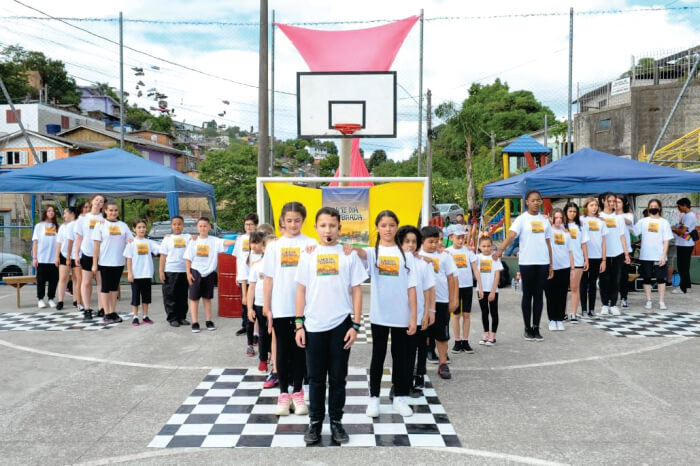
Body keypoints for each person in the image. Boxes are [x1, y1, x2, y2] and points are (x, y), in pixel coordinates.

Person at [294, 207, 368, 445]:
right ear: (315, 228)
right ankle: (315, 424)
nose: (328, 230)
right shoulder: (307, 254)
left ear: (339, 228)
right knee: (315, 379)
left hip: (341, 325)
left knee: (338, 378)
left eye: (332, 225)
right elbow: (301, 290)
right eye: (323, 225)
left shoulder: (348, 255)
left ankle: (336, 422)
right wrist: (299, 324)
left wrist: (356, 325)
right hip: (313, 326)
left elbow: (357, 291)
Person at [350, 211, 417, 418]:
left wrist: (413, 316)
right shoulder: (372, 252)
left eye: (391, 225)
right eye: (383, 225)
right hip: (379, 315)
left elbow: (412, 288)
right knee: (377, 357)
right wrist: (351, 247)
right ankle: (374, 398)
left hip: (402, 316)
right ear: (377, 228)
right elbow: (360, 254)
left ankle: (400, 398)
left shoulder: (406, 255)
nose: (388, 229)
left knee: (401, 358)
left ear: (396, 227)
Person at [262, 202, 317, 416]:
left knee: (300, 352)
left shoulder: (311, 244)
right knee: (282, 351)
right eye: (289, 220)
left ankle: (298, 392)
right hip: (281, 307)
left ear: (303, 221)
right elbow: (268, 279)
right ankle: (283, 394)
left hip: (305, 309)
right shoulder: (274, 246)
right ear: (282, 222)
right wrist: (267, 308)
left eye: (297, 220)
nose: (293, 224)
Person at [495, 190, 552, 342]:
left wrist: (551, 263)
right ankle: (527, 328)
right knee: (528, 294)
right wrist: (500, 250)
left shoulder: (544, 220)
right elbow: (511, 236)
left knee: (539, 295)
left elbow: (548, 242)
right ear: (526, 202)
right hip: (527, 262)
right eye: (533, 200)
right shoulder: (521, 219)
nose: (536, 203)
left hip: (542, 262)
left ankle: (536, 327)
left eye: (538, 200)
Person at [397, 226, 435, 397]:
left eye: (414, 242)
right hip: (398, 315)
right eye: (407, 242)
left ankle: (414, 379)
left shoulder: (423, 264)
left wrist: (429, 311)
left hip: (418, 314)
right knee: (399, 351)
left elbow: (427, 290)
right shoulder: (395, 261)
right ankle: (398, 383)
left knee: (415, 348)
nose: (410, 245)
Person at [184, 217, 234, 333]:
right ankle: (195, 322)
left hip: (209, 273)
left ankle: (208, 321)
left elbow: (225, 242)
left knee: (207, 298)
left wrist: (238, 240)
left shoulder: (214, 240)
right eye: (200, 226)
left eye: (205, 226)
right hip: (195, 272)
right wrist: (188, 273)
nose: (203, 228)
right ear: (197, 227)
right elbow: (187, 259)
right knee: (194, 299)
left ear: (209, 227)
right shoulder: (193, 241)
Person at [420, 226, 458, 378]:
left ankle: (443, 363)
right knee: (423, 335)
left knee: (442, 334)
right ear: (422, 241)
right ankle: (420, 366)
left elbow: (452, 277)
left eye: (437, 241)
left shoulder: (445, 256)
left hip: (441, 301)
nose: (434, 245)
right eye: (430, 242)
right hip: (422, 303)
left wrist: (454, 298)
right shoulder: (415, 256)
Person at [92, 201, 132, 323]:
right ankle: (106, 313)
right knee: (105, 287)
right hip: (105, 262)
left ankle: (113, 311)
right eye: (110, 210)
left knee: (114, 288)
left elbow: (130, 241)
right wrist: (94, 263)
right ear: (105, 211)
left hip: (118, 262)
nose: (113, 212)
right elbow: (96, 245)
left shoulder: (123, 225)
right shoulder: (100, 225)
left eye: (115, 210)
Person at [446, 224, 481, 354]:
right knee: (455, 315)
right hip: (454, 288)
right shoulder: (447, 252)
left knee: (466, 314)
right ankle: (457, 341)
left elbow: (475, 269)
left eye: (462, 237)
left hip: (467, 286)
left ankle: (465, 341)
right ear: (451, 237)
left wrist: (480, 286)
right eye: (458, 237)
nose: (461, 240)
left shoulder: (468, 251)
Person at [634, 199, 673, 310]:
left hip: (659, 256)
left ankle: (661, 301)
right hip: (646, 256)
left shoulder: (664, 222)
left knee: (660, 279)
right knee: (646, 278)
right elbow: (634, 231)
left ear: (659, 208)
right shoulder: (643, 221)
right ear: (648, 208)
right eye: (651, 205)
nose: (653, 207)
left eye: (655, 206)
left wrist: (663, 256)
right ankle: (649, 300)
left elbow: (667, 241)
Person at [74, 194, 106, 322]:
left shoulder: (104, 218)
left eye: (101, 201)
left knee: (100, 283)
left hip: (101, 254)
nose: (98, 202)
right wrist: (76, 254)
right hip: (86, 253)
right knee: (86, 282)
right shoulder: (82, 219)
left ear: (103, 205)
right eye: (97, 200)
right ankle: (87, 309)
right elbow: (78, 238)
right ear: (92, 201)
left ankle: (101, 308)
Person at [599, 193, 632, 316]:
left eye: (614, 201)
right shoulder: (598, 217)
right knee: (604, 279)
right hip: (603, 254)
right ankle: (604, 304)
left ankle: (613, 304)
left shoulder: (619, 218)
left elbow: (622, 236)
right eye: (610, 201)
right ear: (603, 201)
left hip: (618, 253)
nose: (612, 204)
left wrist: (626, 254)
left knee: (616, 279)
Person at [124, 219, 159, 326]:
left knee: (146, 297)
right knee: (135, 297)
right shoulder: (131, 243)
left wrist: (168, 237)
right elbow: (129, 259)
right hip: (136, 275)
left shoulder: (149, 242)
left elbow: (160, 248)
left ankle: (145, 316)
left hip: (146, 274)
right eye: (139, 227)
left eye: (143, 227)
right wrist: (130, 273)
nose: (142, 229)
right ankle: (135, 317)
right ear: (134, 229)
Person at [247, 232, 273, 371]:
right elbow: (251, 287)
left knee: (276, 334)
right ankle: (263, 359)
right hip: (260, 304)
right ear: (263, 248)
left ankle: (275, 359)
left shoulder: (280, 265)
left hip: (277, 305)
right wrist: (250, 308)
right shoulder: (257, 265)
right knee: (263, 333)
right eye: (269, 247)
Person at [158, 216, 191, 327]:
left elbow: (198, 240)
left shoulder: (188, 237)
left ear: (183, 225)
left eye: (179, 224)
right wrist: (161, 271)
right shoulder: (167, 239)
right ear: (171, 226)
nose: (177, 226)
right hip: (170, 271)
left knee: (182, 296)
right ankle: (172, 318)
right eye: (174, 224)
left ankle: (182, 317)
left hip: (184, 271)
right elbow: (163, 256)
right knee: (170, 295)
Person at [545, 209, 575, 331]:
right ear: (551, 218)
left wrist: (572, 268)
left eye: (560, 218)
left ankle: (559, 319)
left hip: (564, 267)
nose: (558, 220)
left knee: (562, 295)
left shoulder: (566, 234)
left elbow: (570, 251)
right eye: (555, 217)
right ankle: (552, 319)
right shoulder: (548, 232)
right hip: (551, 267)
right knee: (550, 295)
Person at [580, 197, 608, 317]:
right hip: (583, 256)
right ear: (586, 207)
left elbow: (603, 242)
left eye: (596, 205)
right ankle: (583, 309)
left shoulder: (601, 222)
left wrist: (604, 259)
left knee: (592, 283)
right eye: (591, 205)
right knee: (583, 282)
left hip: (597, 256)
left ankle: (591, 309)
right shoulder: (581, 220)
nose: (594, 207)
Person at [234, 213, 259, 337]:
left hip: (256, 279)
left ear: (256, 226)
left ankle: (256, 329)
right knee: (244, 303)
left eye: (251, 224)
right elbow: (237, 258)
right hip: (244, 277)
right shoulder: (240, 239)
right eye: (246, 224)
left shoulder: (260, 240)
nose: (248, 227)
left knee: (255, 304)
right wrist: (237, 274)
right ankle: (245, 326)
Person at [565, 202, 589, 323]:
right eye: (570, 211)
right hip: (563, 262)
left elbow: (583, 244)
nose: (572, 214)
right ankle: (562, 313)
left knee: (575, 287)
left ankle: (574, 313)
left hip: (578, 260)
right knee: (563, 288)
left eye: (574, 211)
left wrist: (586, 259)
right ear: (566, 212)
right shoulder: (560, 226)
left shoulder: (581, 226)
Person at [476, 236, 502, 345]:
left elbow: (497, 275)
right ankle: (486, 333)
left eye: (488, 246)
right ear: (479, 247)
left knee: (493, 312)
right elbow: (476, 274)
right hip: (481, 290)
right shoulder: (477, 258)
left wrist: (492, 291)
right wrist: (480, 289)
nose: (486, 248)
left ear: (492, 246)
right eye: (483, 246)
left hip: (492, 290)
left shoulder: (495, 258)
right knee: (484, 312)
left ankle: (493, 335)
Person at [32, 205, 59, 309]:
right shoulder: (39, 226)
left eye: (53, 211)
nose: (51, 213)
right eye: (49, 211)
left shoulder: (57, 226)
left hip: (54, 259)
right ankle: (40, 299)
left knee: (53, 280)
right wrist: (35, 258)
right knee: (41, 281)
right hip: (42, 259)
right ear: (45, 213)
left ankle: (51, 298)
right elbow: (35, 243)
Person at [244, 231, 265, 358]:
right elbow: (244, 278)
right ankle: (250, 344)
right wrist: (245, 296)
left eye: (258, 243)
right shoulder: (248, 258)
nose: (255, 246)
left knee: (263, 324)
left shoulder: (267, 258)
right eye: (253, 243)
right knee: (250, 319)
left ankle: (261, 344)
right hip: (251, 290)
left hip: (263, 294)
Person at [68, 202, 90, 312]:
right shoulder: (76, 223)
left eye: (89, 207)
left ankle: (85, 303)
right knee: (79, 280)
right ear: (81, 209)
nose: (87, 209)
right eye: (85, 207)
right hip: (77, 255)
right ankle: (78, 302)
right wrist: (72, 256)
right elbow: (72, 241)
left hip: (89, 255)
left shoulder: (92, 221)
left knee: (87, 281)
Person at [54, 206, 77, 311]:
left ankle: (76, 300)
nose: (64, 216)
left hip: (77, 255)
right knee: (63, 278)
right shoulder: (62, 227)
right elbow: (59, 242)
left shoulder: (77, 225)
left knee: (77, 279)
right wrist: (57, 256)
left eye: (65, 213)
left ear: (72, 214)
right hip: (64, 255)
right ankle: (60, 301)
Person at [672, 198, 696, 294]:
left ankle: (683, 288)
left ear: (685, 205)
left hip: (685, 244)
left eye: (679, 206)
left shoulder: (689, 216)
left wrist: (673, 229)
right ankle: (687, 285)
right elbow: (683, 229)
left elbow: (682, 231)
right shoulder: (686, 215)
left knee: (682, 266)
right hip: (684, 243)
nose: (678, 208)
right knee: (684, 266)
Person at [616, 195, 634, 309]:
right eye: (614, 202)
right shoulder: (609, 216)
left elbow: (628, 222)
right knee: (612, 276)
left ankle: (624, 297)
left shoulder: (628, 215)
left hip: (625, 249)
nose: (616, 204)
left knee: (623, 275)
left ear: (624, 204)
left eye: (618, 202)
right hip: (612, 250)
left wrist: (617, 216)